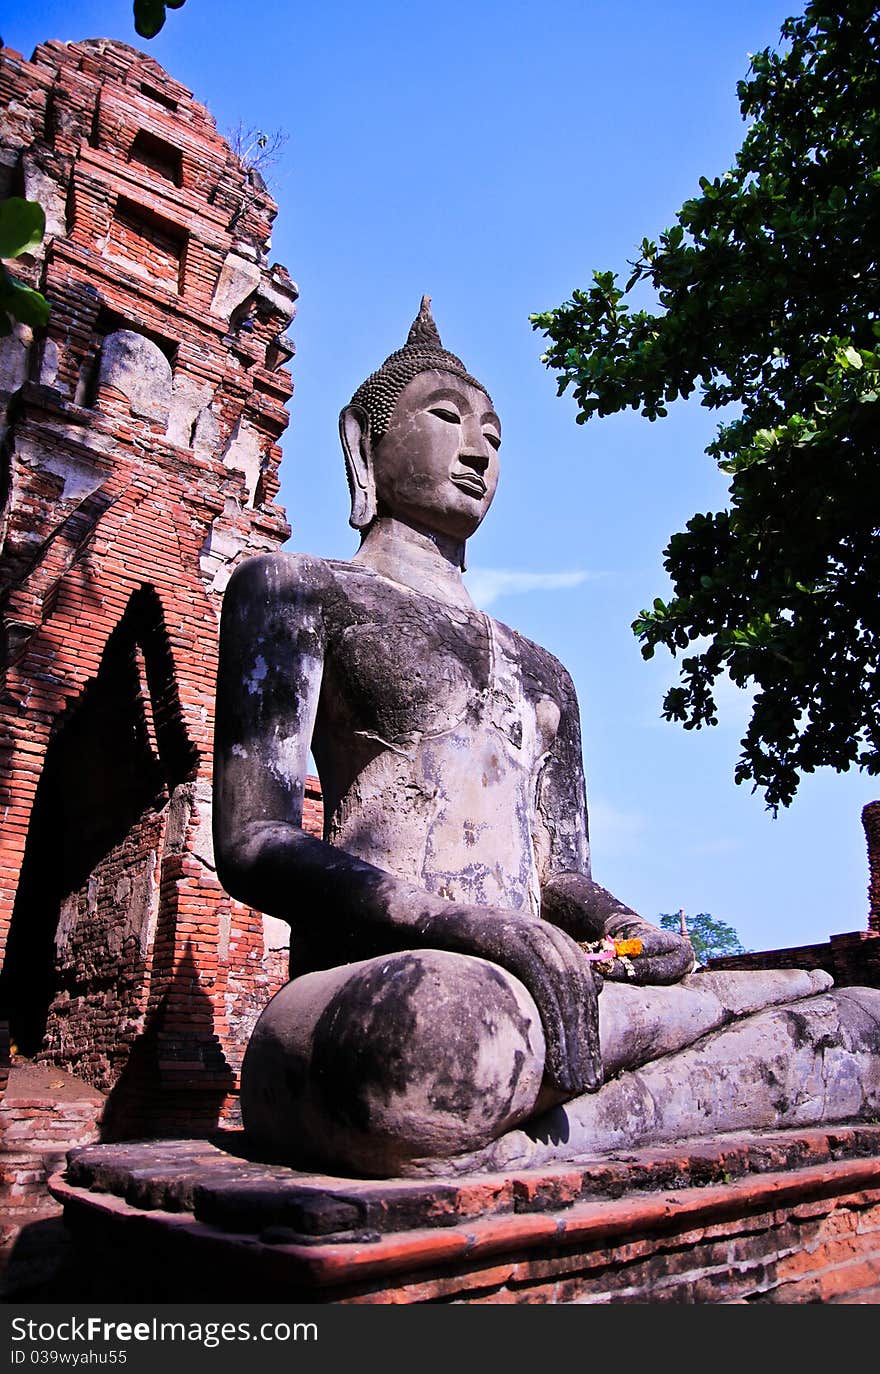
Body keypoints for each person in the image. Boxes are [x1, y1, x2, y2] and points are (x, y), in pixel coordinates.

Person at [214, 299, 880, 1178]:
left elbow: (560, 875)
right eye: (446, 417)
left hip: (539, 988)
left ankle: (550, 1124)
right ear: (359, 443)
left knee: (861, 1027)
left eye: (493, 432)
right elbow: (254, 840)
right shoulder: (297, 590)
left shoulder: (545, 670)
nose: (479, 449)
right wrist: (462, 924)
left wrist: (628, 928)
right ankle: (599, 1100)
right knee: (437, 1039)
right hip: (392, 986)